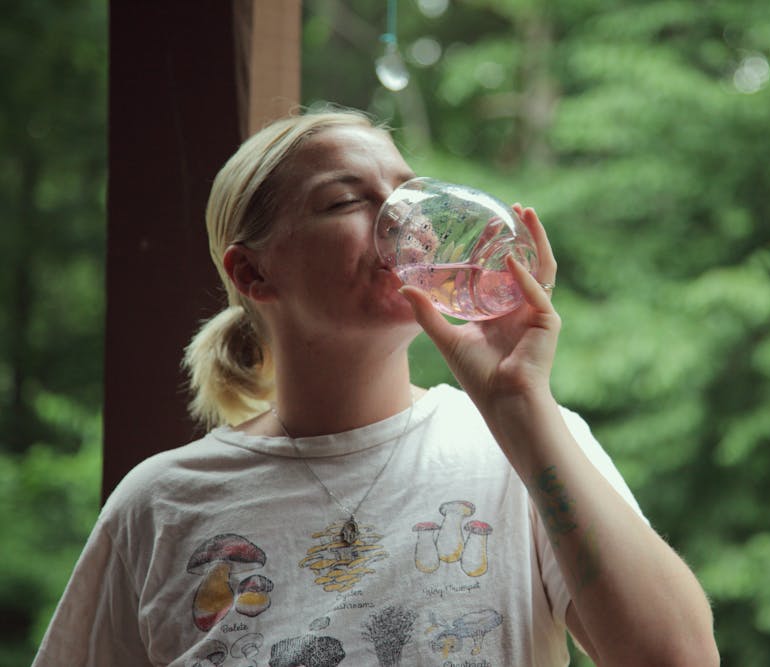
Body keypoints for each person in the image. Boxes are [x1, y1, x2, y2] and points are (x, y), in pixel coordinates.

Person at [32, 109, 719, 667]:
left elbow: (678, 658)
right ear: (253, 274)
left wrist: (521, 407)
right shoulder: (161, 503)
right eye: (346, 201)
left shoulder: (527, 447)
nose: (405, 223)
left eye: (406, 195)